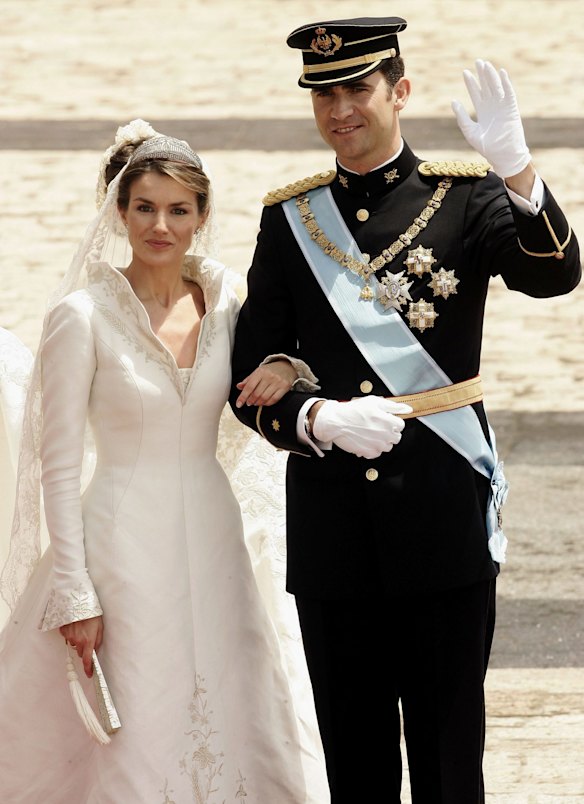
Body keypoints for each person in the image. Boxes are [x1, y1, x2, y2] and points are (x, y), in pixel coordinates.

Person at [229, 16, 581, 804]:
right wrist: (315, 418)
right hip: (332, 522)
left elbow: (553, 277)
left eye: (358, 88)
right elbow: (249, 371)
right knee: (353, 755)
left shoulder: (465, 198)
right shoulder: (292, 220)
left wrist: (519, 174)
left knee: (448, 746)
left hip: (440, 504)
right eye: (325, 94)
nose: (340, 110)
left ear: (401, 91)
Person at [0, 120, 328, 802]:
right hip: (120, 548)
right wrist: (74, 590)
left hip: (214, 535)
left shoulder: (229, 303)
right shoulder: (80, 316)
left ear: (202, 215)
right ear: (119, 212)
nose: (160, 225)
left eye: (179, 210)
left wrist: (282, 364)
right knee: (139, 717)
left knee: (232, 696)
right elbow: (56, 467)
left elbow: (287, 360)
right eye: (145, 207)